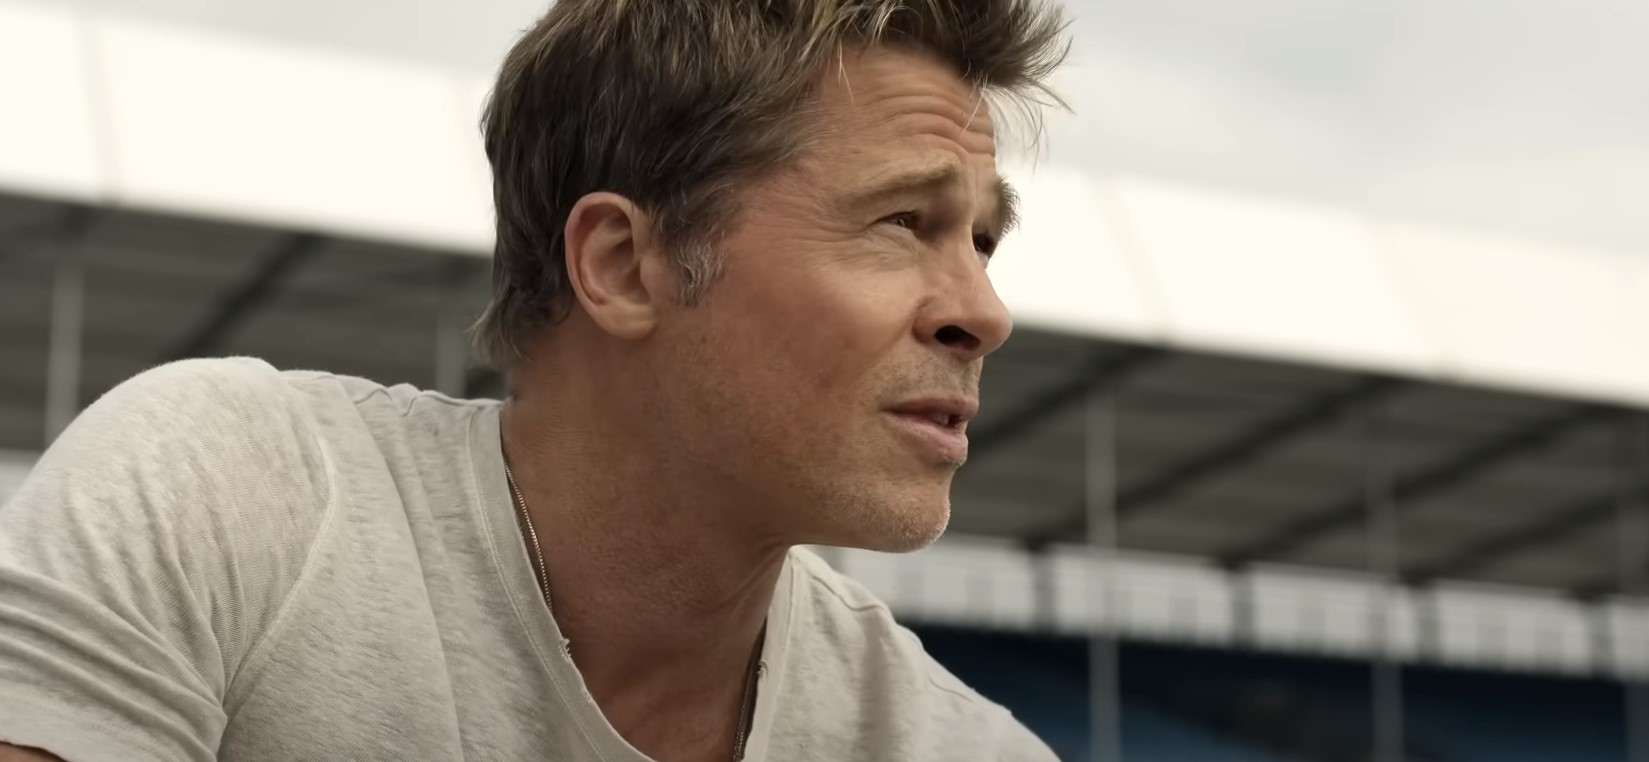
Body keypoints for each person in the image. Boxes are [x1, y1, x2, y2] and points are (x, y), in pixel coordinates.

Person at [0, 0, 1069, 759]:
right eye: (903, 222)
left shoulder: (956, 746)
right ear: (622, 265)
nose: (984, 312)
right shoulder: (231, 496)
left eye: (982, 241)